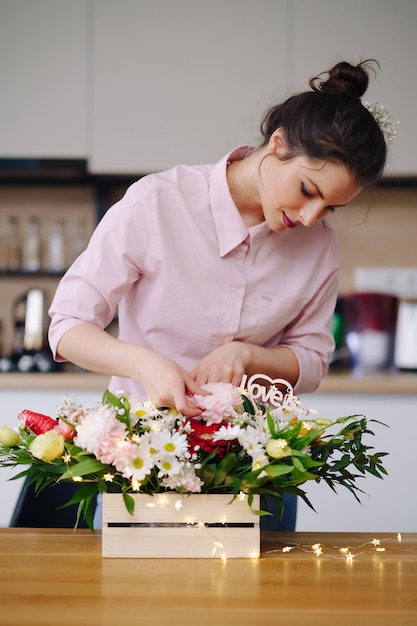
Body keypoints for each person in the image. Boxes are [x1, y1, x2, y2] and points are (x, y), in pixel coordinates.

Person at [48, 59, 389, 530]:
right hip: (138, 460)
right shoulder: (158, 203)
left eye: (330, 206)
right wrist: (146, 363)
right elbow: (66, 326)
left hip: (256, 469)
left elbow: (311, 361)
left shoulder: (319, 245)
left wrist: (246, 355)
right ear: (279, 143)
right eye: (308, 190)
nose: (312, 217)